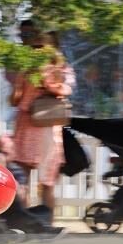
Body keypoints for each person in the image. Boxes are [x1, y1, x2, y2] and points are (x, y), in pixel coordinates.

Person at [9, 25, 75, 216]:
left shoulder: (26, 68)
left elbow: (15, 99)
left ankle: (25, 220)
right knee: (47, 181)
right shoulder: (53, 67)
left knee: (26, 179)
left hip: (27, 123)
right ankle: (46, 222)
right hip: (46, 125)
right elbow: (61, 89)